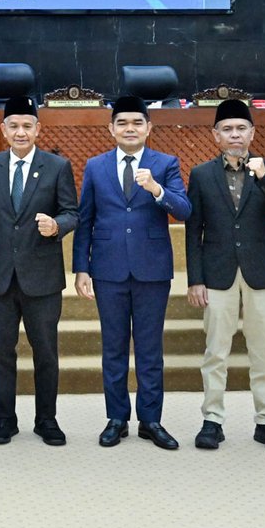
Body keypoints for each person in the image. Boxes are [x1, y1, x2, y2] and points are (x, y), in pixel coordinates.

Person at [73, 95, 191, 449]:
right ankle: (117, 418)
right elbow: (85, 219)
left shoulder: (165, 163)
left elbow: (184, 210)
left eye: (137, 123)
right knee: (113, 347)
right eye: (122, 123)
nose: (130, 129)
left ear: (149, 128)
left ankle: (151, 420)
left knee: (150, 349)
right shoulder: (95, 166)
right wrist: (81, 268)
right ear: (111, 129)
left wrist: (156, 189)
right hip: (107, 268)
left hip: (151, 270)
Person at [184, 99, 265, 452]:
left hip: (259, 272)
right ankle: (212, 420)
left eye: (241, 129)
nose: (234, 135)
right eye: (227, 129)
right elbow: (193, 230)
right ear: (215, 136)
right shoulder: (201, 174)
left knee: (263, 351)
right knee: (215, 351)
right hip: (217, 273)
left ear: (252, 133)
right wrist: (195, 279)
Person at [0, 97, 79, 446]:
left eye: (27, 126)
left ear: (38, 129)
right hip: (1, 275)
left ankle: (47, 419)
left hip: (42, 277)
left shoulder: (57, 166)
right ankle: (4, 419)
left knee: (45, 351)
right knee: (0, 351)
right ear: (3, 130)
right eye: (14, 126)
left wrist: (57, 225)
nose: (21, 132)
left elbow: (72, 212)